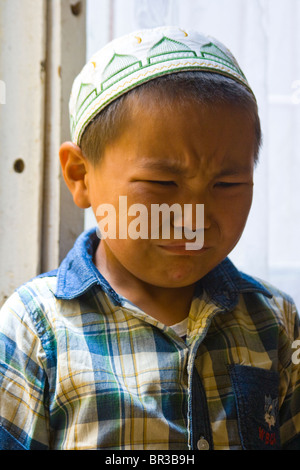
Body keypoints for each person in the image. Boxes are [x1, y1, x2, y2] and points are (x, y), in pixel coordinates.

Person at [0, 26, 299, 451]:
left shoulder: (275, 322)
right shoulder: (34, 330)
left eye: (227, 184)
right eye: (162, 183)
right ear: (81, 175)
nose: (192, 219)